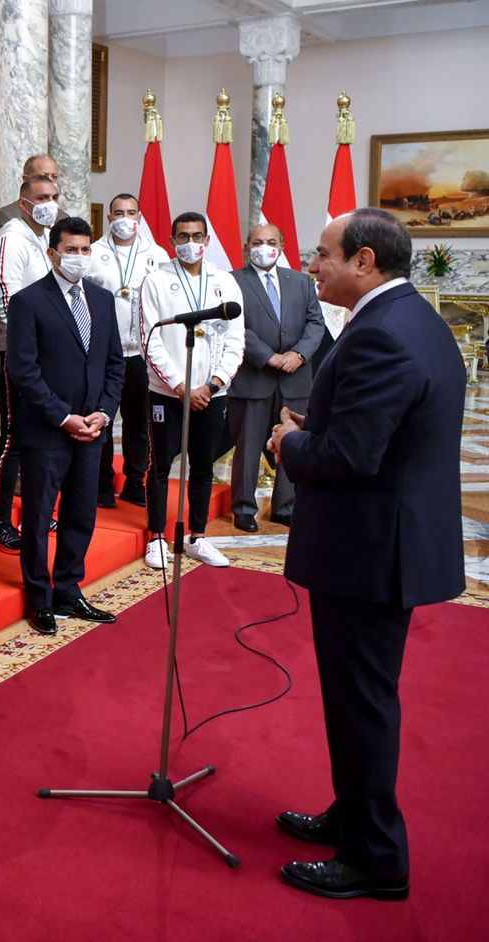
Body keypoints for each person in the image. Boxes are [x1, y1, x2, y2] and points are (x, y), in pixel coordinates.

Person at [268, 208, 465, 902]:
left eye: (322, 254)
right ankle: (352, 816)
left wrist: (290, 445)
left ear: (365, 261)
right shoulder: (408, 319)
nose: (311, 265)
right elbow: (376, 428)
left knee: (362, 704)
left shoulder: (383, 333)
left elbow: (352, 456)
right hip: (381, 543)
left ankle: (375, 858)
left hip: (372, 552)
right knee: (358, 700)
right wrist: (317, 425)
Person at [4, 216, 123, 637]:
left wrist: (103, 413)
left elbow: (113, 365)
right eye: (71, 250)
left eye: (85, 249)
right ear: (53, 253)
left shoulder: (103, 300)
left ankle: (68, 590)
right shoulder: (29, 301)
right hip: (47, 430)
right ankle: (39, 597)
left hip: (92, 429)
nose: (79, 256)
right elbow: (23, 370)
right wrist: (63, 416)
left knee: (81, 514)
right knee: (38, 518)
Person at [137, 212, 244, 570]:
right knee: (160, 465)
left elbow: (236, 339)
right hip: (168, 393)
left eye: (197, 236)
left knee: (202, 465)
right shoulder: (155, 280)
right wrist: (181, 386)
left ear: (207, 241)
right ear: (172, 242)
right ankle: (156, 537)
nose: (190, 243)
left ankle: (197, 536)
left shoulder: (225, 281)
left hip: (212, 394)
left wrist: (212, 385)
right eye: (183, 237)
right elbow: (150, 339)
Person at [227, 223, 324, 531]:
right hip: (253, 377)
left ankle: (285, 506)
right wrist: (267, 357)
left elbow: (315, 323)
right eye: (257, 242)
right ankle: (243, 508)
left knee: (293, 442)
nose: (264, 248)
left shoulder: (302, 282)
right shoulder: (231, 281)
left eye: (271, 242)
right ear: (247, 247)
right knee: (247, 447)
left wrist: (299, 354)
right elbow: (234, 326)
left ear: (282, 246)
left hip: (295, 378)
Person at [0, 173, 59, 553]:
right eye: (41, 197)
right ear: (23, 202)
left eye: (53, 196)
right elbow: (6, 301)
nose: (49, 203)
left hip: (45, 356)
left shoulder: (41, 239)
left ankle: (35, 510)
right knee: (13, 438)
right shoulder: (11, 240)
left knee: (39, 438)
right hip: (18, 354)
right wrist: (22, 351)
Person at [84, 193, 167, 509]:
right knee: (102, 418)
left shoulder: (156, 254)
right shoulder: (94, 252)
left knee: (139, 423)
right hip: (105, 351)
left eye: (131, 213)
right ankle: (102, 485)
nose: (124, 219)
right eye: (118, 213)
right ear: (109, 218)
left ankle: (134, 482)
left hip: (142, 352)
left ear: (139, 217)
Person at [0, 153, 59, 246]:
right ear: (26, 179)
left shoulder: (62, 217)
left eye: (54, 177)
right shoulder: (5, 216)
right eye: (43, 176)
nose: (49, 181)